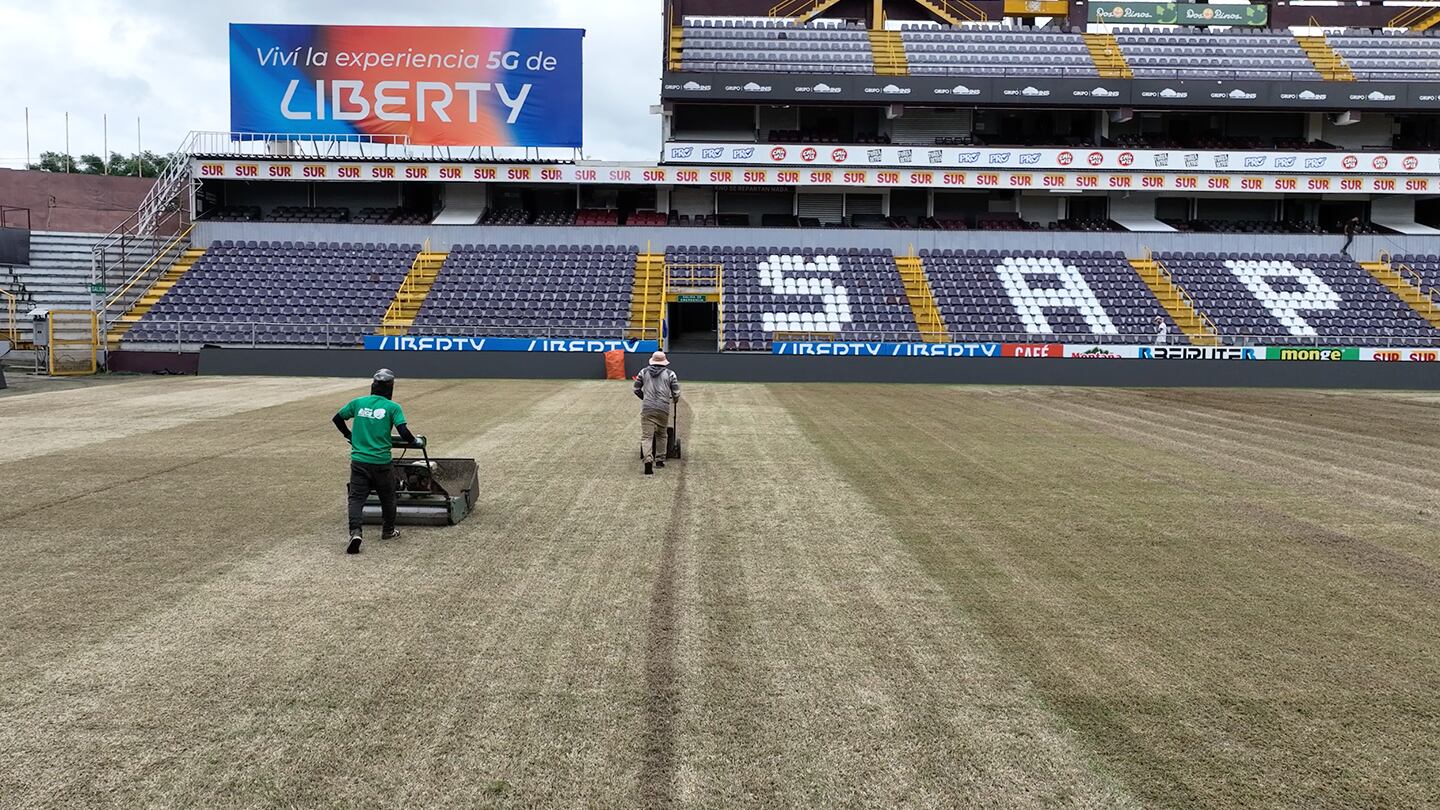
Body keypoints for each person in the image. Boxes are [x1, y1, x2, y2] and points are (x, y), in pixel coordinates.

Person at [332, 368, 420, 554]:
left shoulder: (358, 403)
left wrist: (349, 435)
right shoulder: (392, 407)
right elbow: (403, 432)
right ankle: (388, 531)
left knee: (356, 499)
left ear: (373, 386)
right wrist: (414, 442)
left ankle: (356, 532)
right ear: (390, 388)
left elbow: (337, 418)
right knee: (388, 497)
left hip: (359, 461)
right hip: (381, 462)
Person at [634, 351, 680, 475]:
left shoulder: (643, 372)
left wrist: (645, 398)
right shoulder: (670, 374)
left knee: (647, 436)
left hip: (647, 408)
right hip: (663, 408)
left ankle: (648, 460)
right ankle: (660, 459)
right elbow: (676, 392)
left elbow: (636, 389)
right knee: (661, 434)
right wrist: (675, 400)